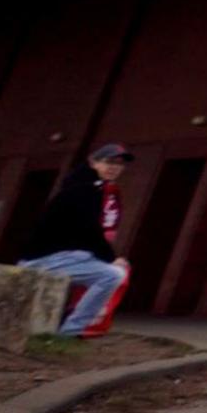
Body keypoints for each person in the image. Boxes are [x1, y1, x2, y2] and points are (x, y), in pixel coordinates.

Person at [17, 143, 133, 338]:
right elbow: (88, 228)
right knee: (111, 275)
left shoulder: (91, 187)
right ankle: (71, 332)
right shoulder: (84, 189)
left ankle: (66, 323)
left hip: (63, 255)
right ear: (93, 162)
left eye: (120, 164)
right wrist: (110, 258)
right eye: (109, 162)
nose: (114, 167)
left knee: (100, 267)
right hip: (46, 258)